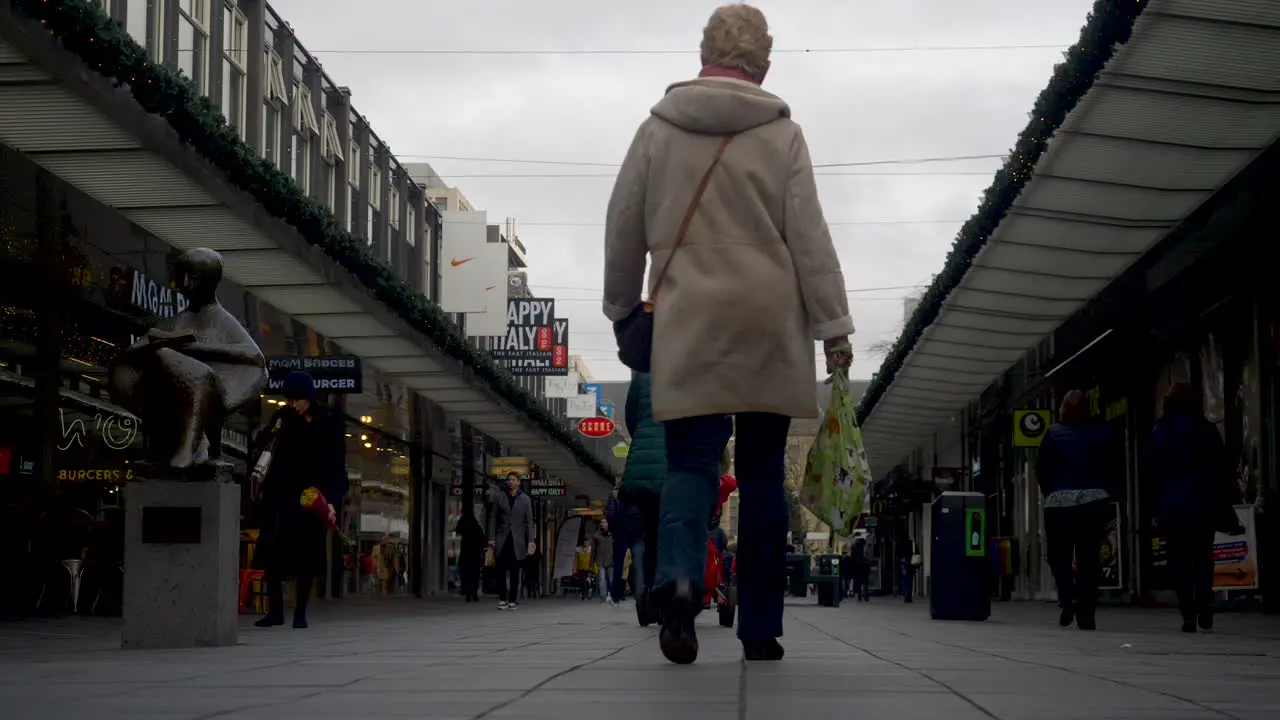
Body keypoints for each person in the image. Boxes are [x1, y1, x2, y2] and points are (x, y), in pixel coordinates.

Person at [601, 4, 854, 665]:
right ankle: (761, 627)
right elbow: (811, 236)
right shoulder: (783, 135)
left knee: (690, 464)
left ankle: (680, 580)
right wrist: (833, 326)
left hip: (690, 323)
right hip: (771, 322)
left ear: (702, 54)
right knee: (764, 476)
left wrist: (623, 307)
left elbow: (623, 222)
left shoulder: (657, 131)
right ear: (763, 65)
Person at [1146, 382, 1244, 633]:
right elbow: (1221, 464)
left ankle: (1188, 614)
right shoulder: (1206, 429)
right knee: (1202, 557)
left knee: (1178, 559)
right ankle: (1204, 605)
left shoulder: (1160, 431)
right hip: (1202, 500)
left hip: (1172, 503)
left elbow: (1152, 470)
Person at [252, 371, 345, 629]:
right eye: (290, 400)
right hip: (280, 495)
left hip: (311, 498)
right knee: (273, 554)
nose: (294, 404)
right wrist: (271, 433)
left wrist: (332, 501)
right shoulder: (282, 418)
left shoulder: (328, 421)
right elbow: (261, 445)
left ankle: (300, 613)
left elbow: (337, 466)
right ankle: (275, 612)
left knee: (306, 556)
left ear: (309, 398)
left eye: (298, 400)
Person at [1035, 390, 1119, 631]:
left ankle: (1067, 595)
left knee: (1057, 556)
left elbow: (1041, 467)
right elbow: (1112, 466)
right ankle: (1087, 613)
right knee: (1089, 558)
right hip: (1093, 503)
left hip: (1059, 504)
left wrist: (1051, 491)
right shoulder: (1102, 433)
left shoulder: (1053, 434)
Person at [619, 371, 667, 626]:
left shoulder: (642, 375)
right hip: (672, 466)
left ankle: (645, 591)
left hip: (640, 469)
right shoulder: (690, 364)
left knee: (647, 537)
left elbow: (631, 418)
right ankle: (667, 591)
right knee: (670, 533)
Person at [489, 472, 536, 610]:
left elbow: (529, 521)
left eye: (513, 480)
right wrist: (491, 538)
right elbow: (493, 519)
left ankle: (513, 599)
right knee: (500, 571)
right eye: (508, 480)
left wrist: (530, 540)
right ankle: (502, 598)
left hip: (518, 540)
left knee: (515, 571)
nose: (510, 482)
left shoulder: (525, 499)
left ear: (518, 482)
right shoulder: (499, 497)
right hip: (502, 538)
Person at [454, 511, 486, 602]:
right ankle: (474, 593)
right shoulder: (477, 528)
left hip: (465, 554)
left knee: (466, 574)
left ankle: (467, 593)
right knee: (475, 575)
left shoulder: (464, 528)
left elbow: (457, 529)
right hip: (475, 554)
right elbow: (483, 540)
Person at [593, 519, 616, 605]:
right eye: (601, 522)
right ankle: (603, 597)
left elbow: (616, 548)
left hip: (611, 560)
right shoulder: (596, 535)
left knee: (612, 579)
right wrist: (592, 561)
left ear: (607, 524)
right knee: (602, 580)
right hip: (600, 560)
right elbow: (593, 549)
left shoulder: (612, 535)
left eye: (604, 522)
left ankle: (613, 596)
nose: (602, 524)